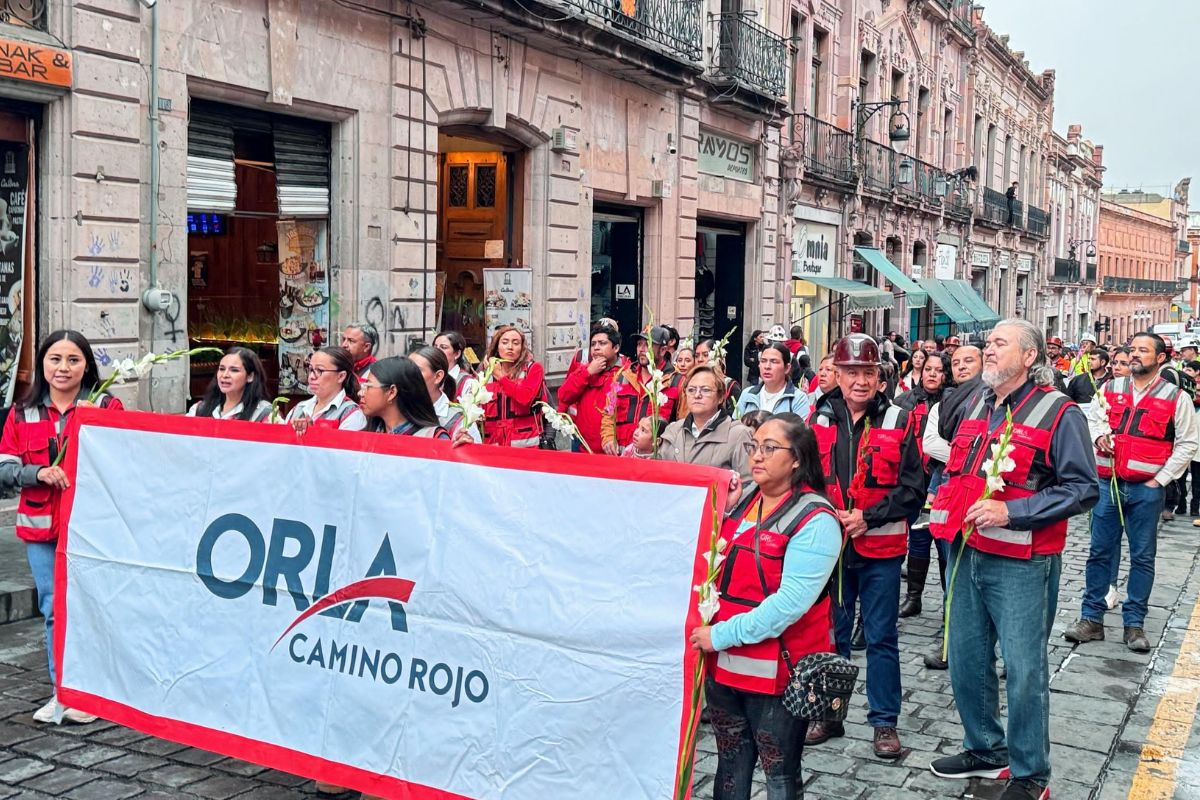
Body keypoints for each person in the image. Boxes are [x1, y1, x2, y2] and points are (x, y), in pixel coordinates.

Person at [928, 319, 1098, 800]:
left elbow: (1082, 488)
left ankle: (1030, 774)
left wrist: (1014, 510)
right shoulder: (979, 403)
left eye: (1000, 343)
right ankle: (985, 747)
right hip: (967, 551)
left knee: (1024, 671)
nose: (988, 350)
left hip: (1022, 562)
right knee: (966, 659)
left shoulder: (1058, 412)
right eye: (987, 343)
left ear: (1029, 357)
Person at [687, 413, 842, 800]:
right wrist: (724, 510)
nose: (757, 456)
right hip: (725, 665)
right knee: (730, 763)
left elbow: (788, 605)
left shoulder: (816, 520)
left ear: (797, 460)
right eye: (754, 446)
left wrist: (720, 635)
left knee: (779, 771)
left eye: (769, 448)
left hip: (778, 671)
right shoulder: (744, 505)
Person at [0, 329, 126, 724]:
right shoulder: (22, 412)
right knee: (54, 608)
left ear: (86, 365)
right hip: (41, 531)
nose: (63, 368)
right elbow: (5, 470)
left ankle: (93, 693)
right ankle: (63, 692)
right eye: (55, 359)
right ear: (42, 363)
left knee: (91, 607)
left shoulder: (105, 405)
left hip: (90, 528)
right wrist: (38, 473)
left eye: (73, 360)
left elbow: (123, 463)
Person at [806, 334, 923, 759]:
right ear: (836, 373)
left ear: (880, 376)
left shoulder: (899, 419)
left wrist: (867, 518)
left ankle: (884, 724)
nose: (860, 381)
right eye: (851, 372)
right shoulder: (817, 418)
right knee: (831, 636)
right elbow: (804, 483)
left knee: (881, 639)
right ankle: (830, 714)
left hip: (882, 553)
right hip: (831, 553)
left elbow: (914, 491)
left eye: (868, 372)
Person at [1064, 332, 1199, 653]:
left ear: (1160, 358)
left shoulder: (1175, 397)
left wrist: (1161, 480)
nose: (1135, 355)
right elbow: (1094, 419)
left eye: (1143, 351)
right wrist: (1099, 437)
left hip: (1146, 489)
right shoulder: (1110, 388)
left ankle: (1134, 624)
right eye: (1132, 349)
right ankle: (1091, 619)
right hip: (1107, 484)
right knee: (1099, 552)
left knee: (1142, 557)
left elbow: (1188, 442)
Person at [893, 350, 952, 618]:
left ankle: (948, 600)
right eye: (929, 369)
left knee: (942, 540)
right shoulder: (904, 401)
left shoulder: (954, 402)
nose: (932, 374)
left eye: (939, 370)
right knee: (917, 538)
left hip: (942, 480)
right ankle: (913, 597)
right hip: (912, 481)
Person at [657, 366, 752, 480]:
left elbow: (749, 483)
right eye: (691, 390)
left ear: (721, 397)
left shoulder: (738, 434)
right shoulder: (673, 430)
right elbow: (657, 475)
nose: (697, 395)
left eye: (705, 390)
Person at [603, 325, 678, 453]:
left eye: (647, 345)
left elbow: (681, 424)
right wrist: (608, 438)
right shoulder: (622, 376)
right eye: (639, 344)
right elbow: (609, 413)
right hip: (621, 457)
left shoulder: (677, 381)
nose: (641, 349)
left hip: (655, 460)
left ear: (663, 350)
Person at [559, 322, 627, 454]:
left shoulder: (626, 372)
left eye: (602, 343)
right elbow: (563, 395)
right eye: (593, 344)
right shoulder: (585, 369)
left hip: (612, 449)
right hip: (583, 446)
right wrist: (588, 372)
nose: (596, 348)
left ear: (616, 348)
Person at [480, 325, 546, 448]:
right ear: (497, 346)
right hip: (493, 446)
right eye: (505, 342)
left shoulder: (533, 369)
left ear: (522, 348)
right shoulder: (485, 374)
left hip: (526, 447)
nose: (510, 347)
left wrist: (500, 377)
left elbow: (525, 397)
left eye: (516, 343)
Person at [358, 356, 450, 439]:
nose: (360, 393)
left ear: (392, 392)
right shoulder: (366, 435)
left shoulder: (432, 438)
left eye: (368, 386)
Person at [286, 347, 367, 432]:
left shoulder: (352, 414)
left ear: (341, 376)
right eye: (310, 369)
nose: (311, 377)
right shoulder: (299, 408)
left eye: (320, 370)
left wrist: (312, 434)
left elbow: (343, 444)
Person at [409, 345, 475, 442]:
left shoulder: (461, 421)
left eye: (417, 370)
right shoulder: (399, 411)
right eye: (407, 370)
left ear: (438, 376)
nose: (408, 375)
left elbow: (474, 455)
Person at [187, 347, 273, 421]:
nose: (225, 375)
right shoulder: (199, 409)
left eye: (234, 370)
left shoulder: (265, 413)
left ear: (250, 376)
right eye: (221, 369)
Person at [736, 343, 811, 418]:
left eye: (774, 361)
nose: (767, 366)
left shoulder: (798, 399)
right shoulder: (747, 394)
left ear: (787, 368)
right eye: (763, 361)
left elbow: (800, 429)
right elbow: (737, 426)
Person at [696, 338, 741, 411]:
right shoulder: (694, 383)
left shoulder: (729, 385)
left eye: (705, 355)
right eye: (696, 356)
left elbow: (736, 416)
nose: (700, 359)